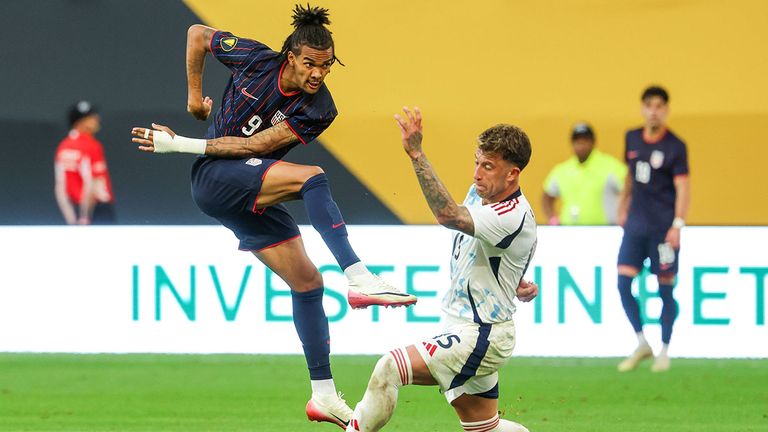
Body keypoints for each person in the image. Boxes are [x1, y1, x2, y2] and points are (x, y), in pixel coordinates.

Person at [131, 5, 415, 428]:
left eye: (326, 66)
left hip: (242, 180)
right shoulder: (254, 57)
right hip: (214, 179)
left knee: (307, 283)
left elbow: (256, 145)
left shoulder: (321, 107)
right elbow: (196, 35)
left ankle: (322, 394)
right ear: (291, 57)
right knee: (313, 178)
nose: (318, 74)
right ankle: (357, 275)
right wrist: (194, 98)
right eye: (310, 64)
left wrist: (180, 144)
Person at [343, 107, 538, 432]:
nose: (477, 174)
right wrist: (513, 280)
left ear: (512, 175)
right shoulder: (482, 194)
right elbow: (497, 252)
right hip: (466, 327)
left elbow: (450, 216)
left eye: (488, 166)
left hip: (482, 334)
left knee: (389, 367)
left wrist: (417, 153)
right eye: (476, 161)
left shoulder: (512, 213)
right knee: (486, 429)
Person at [616, 86, 690, 373]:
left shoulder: (676, 146)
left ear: (666, 110)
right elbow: (630, 177)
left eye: (659, 106)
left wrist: (678, 224)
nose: (654, 111)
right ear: (642, 108)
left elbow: (683, 187)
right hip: (635, 226)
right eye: (649, 105)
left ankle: (665, 349)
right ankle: (641, 342)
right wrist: (623, 205)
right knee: (623, 284)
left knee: (665, 289)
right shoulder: (632, 138)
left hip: (662, 229)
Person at [541, 123, 626, 225]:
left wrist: (624, 215)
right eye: (577, 141)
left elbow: (631, 192)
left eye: (585, 140)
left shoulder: (611, 167)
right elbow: (546, 198)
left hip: (604, 231)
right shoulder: (562, 170)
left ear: (593, 142)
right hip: (568, 231)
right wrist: (553, 219)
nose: (581, 145)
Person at [54, 101, 116, 225]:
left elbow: (60, 186)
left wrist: (71, 219)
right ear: (80, 122)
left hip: (75, 209)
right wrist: (85, 216)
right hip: (97, 211)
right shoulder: (91, 145)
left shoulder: (63, 146)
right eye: (91, 117)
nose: (96, 119)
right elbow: (93, 183)